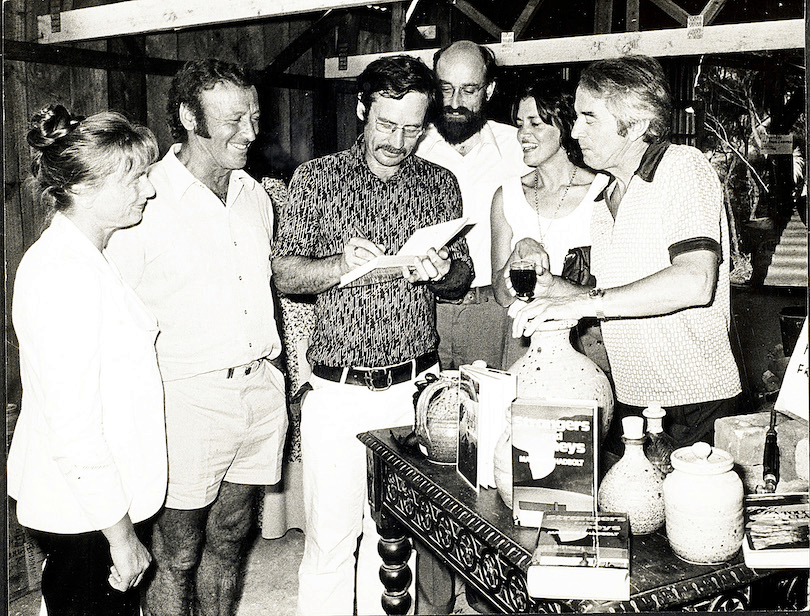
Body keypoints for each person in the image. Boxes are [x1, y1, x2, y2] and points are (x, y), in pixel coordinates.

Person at [272, 54, 473, 616]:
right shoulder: (317, 179)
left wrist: (442, 271)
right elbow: (285, 274)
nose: (398, 140)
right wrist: (338, 265)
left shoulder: (439, 184)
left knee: (396, 543)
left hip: (415, 391)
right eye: (386, 124)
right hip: (338, 392)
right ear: (362, 108)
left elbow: (461, 277)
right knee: (330, 542)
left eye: (413, 128)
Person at [106, 59, 288, 616]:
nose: (251, 133)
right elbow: (112, 318)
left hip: (257, 391)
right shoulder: (142, 200)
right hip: (184, 399)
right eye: (233, 120)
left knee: (230, 541)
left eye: (255, 117)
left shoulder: (254, 196)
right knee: (176, 554)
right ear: (188, 118)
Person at [511, 55, 742, 452]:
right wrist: (556, 289)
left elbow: (695, 281)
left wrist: (582, 303)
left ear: (634, 125)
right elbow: (616, 294)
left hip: (696, 402)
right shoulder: (605, 195)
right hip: (633, 398)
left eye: (589, 118)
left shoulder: (683, 168)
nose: (576, 130)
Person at [7, 105, 165, 616]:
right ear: (80, 188)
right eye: (135, 178)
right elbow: (74, 429)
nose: (149, 189)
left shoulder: (89, 258)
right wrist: (120, 536)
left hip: (95, 507)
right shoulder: (60, 275)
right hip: (84, 513)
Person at [416, 40, 529, 372]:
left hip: (493, 311)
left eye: (468, 90)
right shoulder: (412, 146)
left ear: (489, 89)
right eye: (446, 89)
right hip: (423, 309)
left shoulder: (520, 149)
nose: (454, 103)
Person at [490, 81, 610, 368]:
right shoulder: (506, 196)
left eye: (535, 124)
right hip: (526, 341)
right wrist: (518, 253)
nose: (523, 135)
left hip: (589, 342)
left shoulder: (603, 192)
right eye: (520, 124)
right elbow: (501, 294)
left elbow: (617, 290)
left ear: (565, 127)